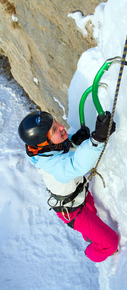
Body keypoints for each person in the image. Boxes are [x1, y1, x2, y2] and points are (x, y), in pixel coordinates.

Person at [18, 110, 119, 262]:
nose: (60, 127)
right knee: (110, 243)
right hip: (73, 211)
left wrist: (74, 141)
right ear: (44, 143)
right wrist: (97, 139)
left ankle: (89, 236)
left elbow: (62, 149)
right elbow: (76, 165)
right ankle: (91, 253)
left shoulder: (47, 148)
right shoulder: (52, 166)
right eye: (54, 129)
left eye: (56, 122)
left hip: (81, 195)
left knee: (92, 211)